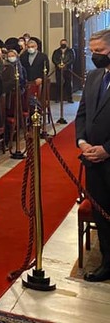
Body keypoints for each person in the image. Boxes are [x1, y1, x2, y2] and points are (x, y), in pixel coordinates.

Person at [76, 28, 110, 282]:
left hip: (108, 155)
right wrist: (82, 141)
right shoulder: (94, 76)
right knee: (101, 212)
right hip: (92, 160)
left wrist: (107, 149)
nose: (94, 55)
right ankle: (107, 261)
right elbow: (83, 113)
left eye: (100, 51)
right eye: (92, 51)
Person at [52, 38, 75, 103]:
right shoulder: (56, 51)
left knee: (68, 84)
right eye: (62, 43)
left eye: (64, 43)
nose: (63, 44)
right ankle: (58, 98)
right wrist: (58, 64)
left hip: (68, 70)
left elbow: (72, 59)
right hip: (58, 69)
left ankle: (69, 98)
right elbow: (54, 59)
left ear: (67, 44)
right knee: (58, 84)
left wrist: (66, 65)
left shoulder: (70, 51)